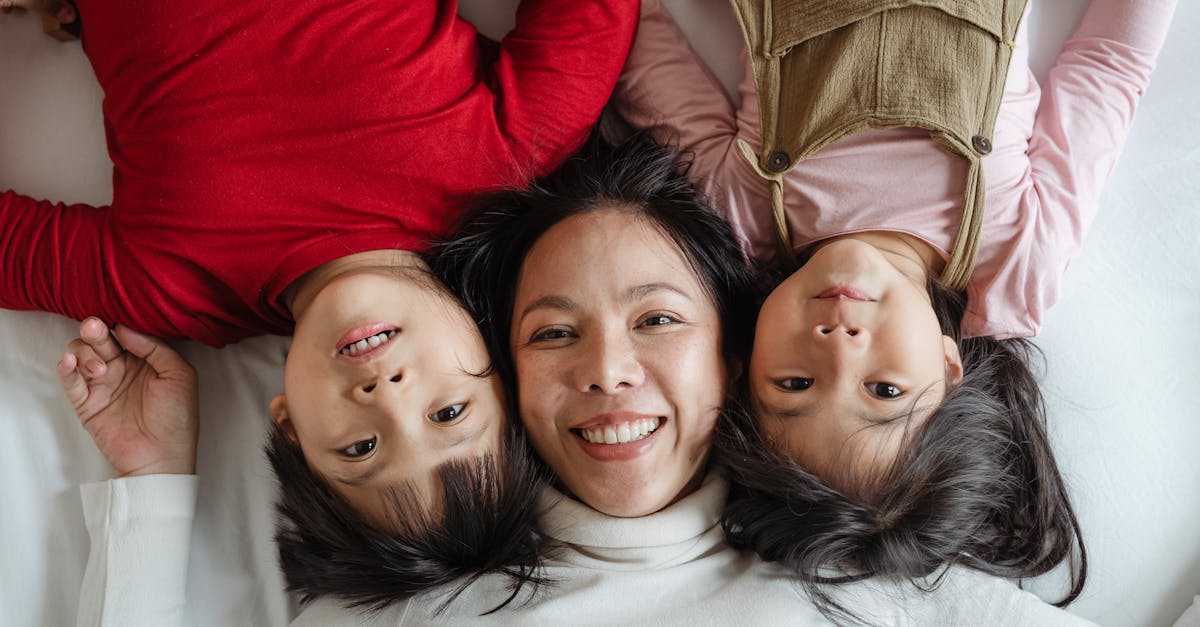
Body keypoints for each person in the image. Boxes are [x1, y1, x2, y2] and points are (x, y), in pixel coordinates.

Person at [60, 132, 1096, 625]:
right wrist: (150, 484)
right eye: (552, 336)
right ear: (499, 378)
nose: (608, 372)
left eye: (657, 320)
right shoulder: (414, 606)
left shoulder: (884, 590)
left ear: (737, 355)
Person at [3, 0, 639, 613]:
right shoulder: (504, 157)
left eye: (360, 449)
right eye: (448, 412)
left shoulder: (171, 287)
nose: (386, 392)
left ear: (290, 429)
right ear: (497, 361)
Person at [616, 0, 1177, 616]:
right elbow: (1111, 64)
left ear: (744, 366)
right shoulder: (1015, 259)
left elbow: (633, 46)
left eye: (795, 382)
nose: (837, 343)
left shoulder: (741, 216)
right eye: (884, 390)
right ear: (949, 367)